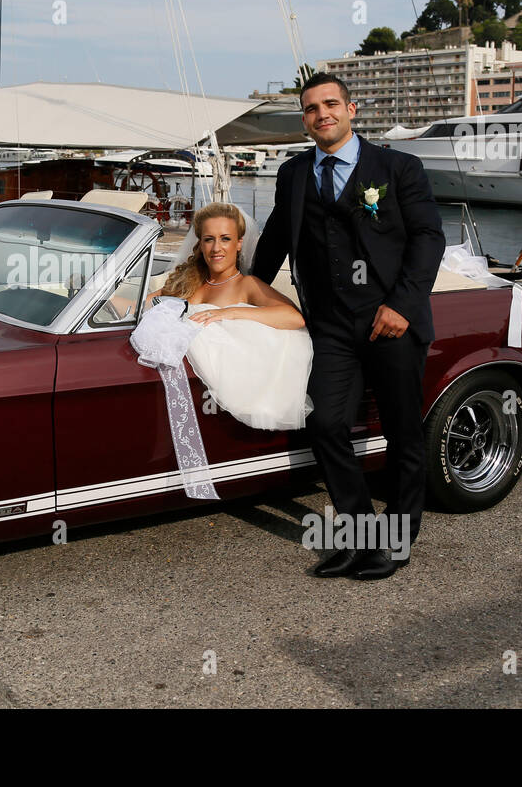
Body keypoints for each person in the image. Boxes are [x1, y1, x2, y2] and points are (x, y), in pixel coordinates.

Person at [251, 72, 445, 581]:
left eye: (331, 104)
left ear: (352, 109)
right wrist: (243, 293)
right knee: (324, 422)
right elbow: (274, 238)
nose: (322, 115)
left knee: (404, 432)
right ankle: (362, 536)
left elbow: (428, 238)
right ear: (305, 119)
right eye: (312, 108)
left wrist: (402, 304)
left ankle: (397, 538)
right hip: (330, 325)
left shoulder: (399, 167)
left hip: (391, 321)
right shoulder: (294, 174)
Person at [147, 202, 312, 431]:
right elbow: (146, 304)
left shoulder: (247, 285)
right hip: (173, 380)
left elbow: (294, 318)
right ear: (200, 244)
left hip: (217, 398)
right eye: (209, 239)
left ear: (239, 243)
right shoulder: (186, 283)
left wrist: (229, 312)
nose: (216, 248)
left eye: (225, 238)